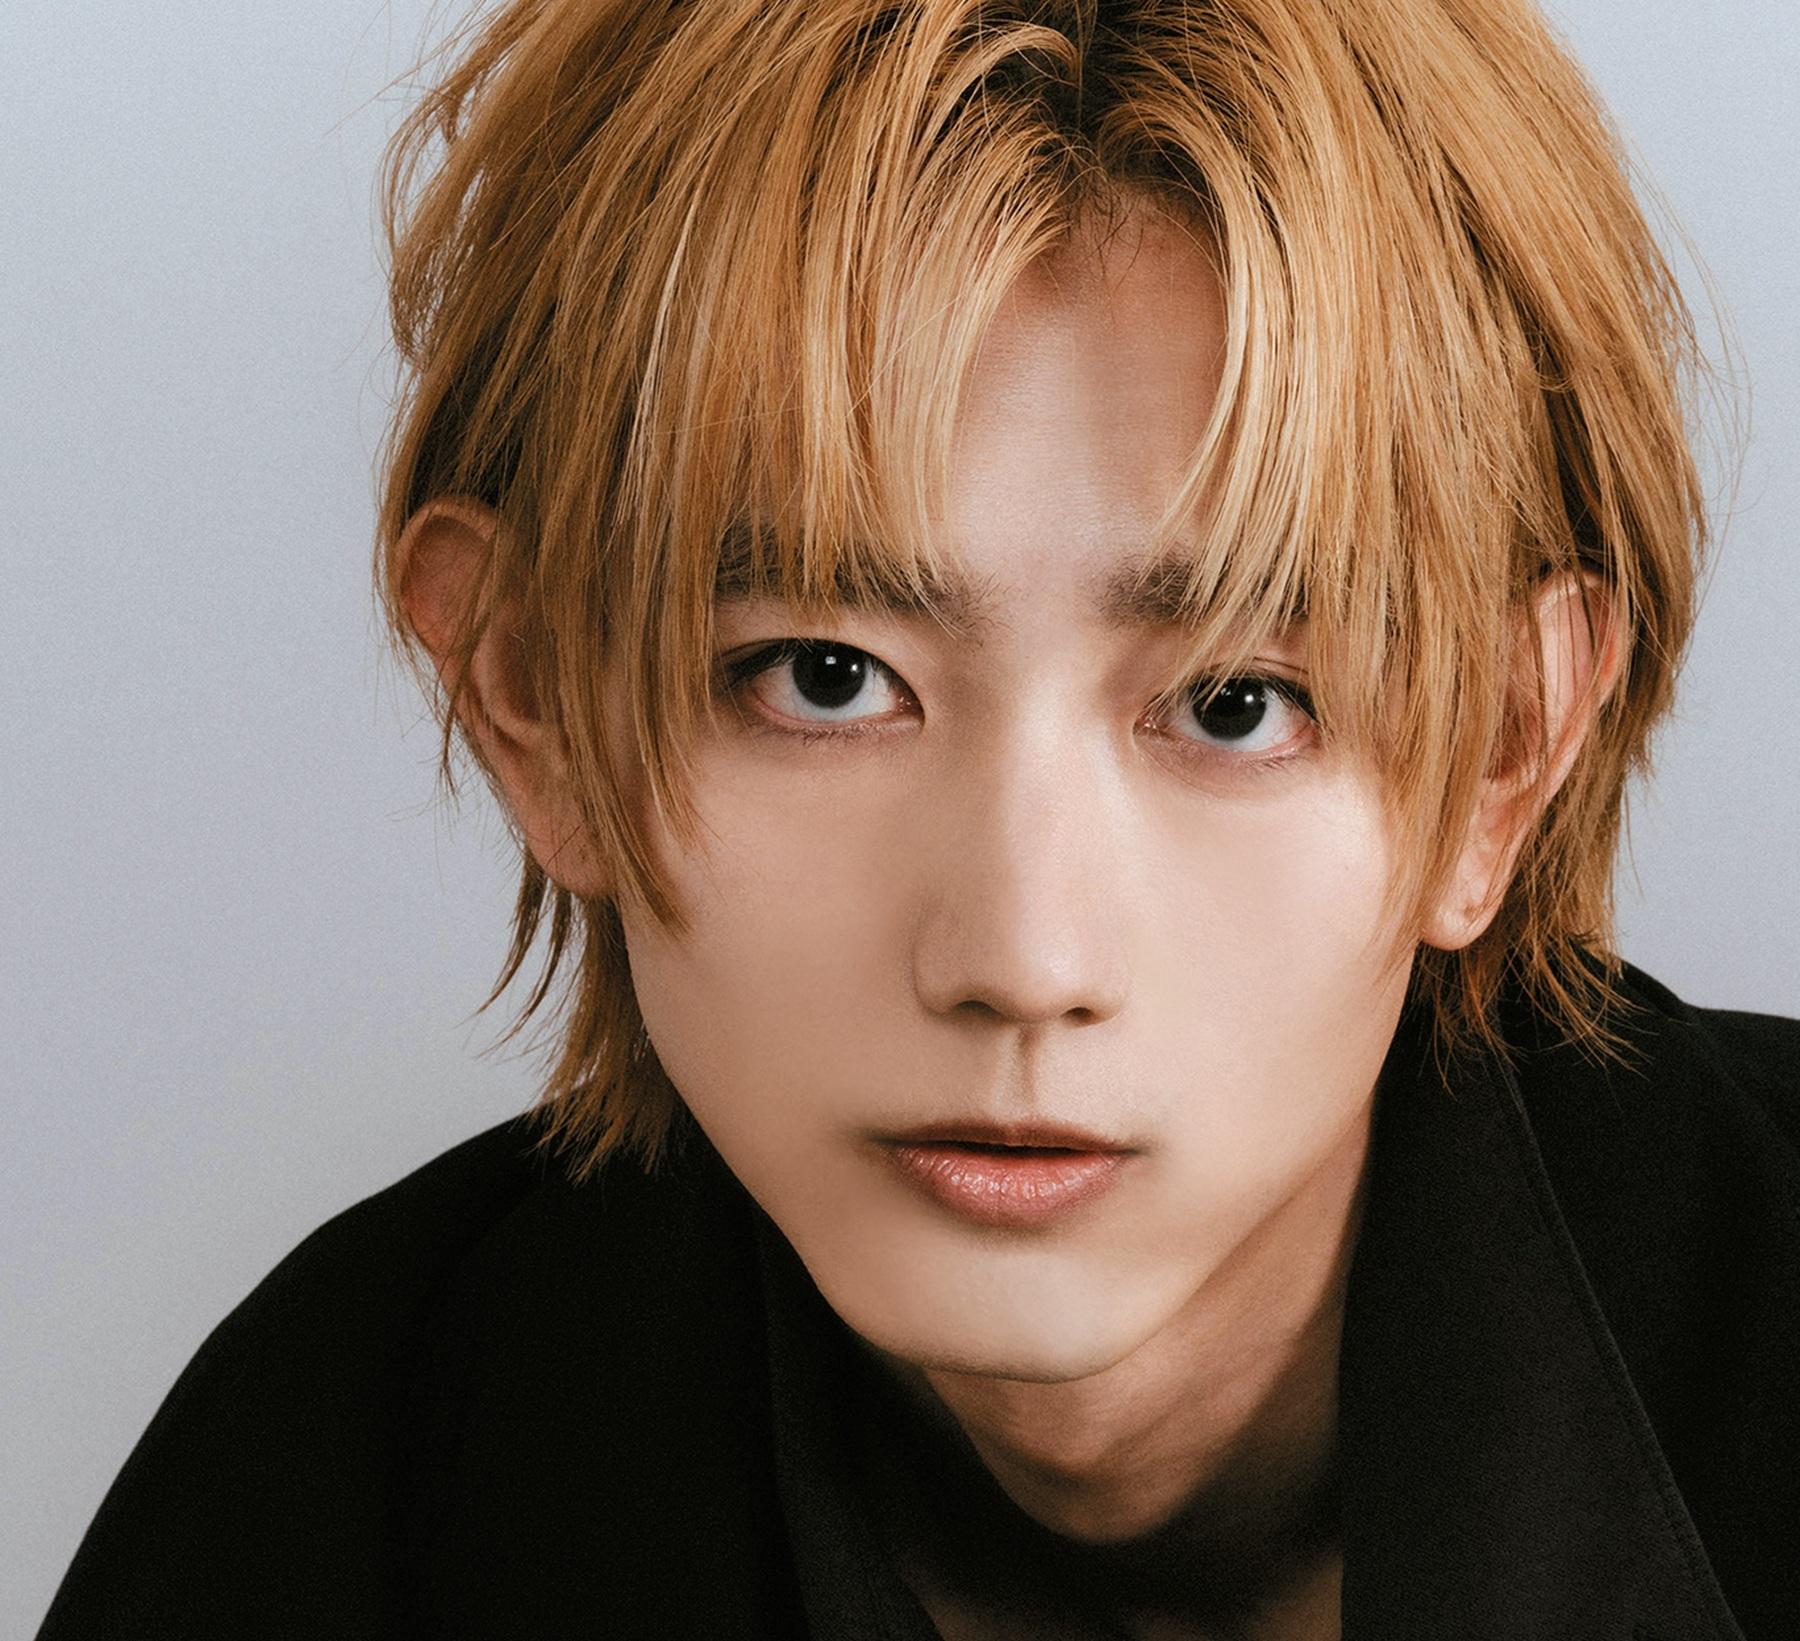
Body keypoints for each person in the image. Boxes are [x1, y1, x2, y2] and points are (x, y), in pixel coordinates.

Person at [38, 1, 1796, 1637]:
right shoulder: (326, 1499)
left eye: (1236, 705)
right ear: (535, 703)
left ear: (1506, 752)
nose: (1022, 957)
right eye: (822, 678)